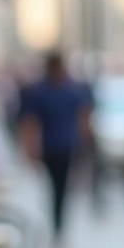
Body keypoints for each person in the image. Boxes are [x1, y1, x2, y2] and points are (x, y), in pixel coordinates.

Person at [18, 52, 93, 237]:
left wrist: (86, 143)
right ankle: (56, 221)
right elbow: (31, 124)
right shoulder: (43, 92)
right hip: (51, 147)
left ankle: (58, 222)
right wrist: (30, 150)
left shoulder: (70, 91)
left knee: (62, 186)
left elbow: (83, 118)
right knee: (55, 186)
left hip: (66, 146)